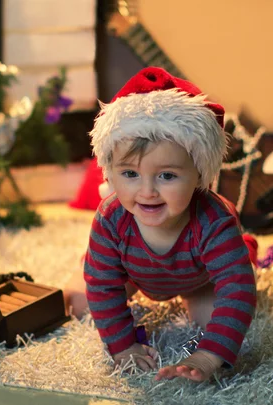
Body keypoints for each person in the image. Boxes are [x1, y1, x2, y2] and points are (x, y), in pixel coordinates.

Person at [65, 67, 258, 382]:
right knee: (84, 299)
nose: (147, 191)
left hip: (198, 278)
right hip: (134, 272)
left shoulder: (213, 221)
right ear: (110, 172)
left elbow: (237, 290)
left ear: (199, 174)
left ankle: (243, 252)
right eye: (130, 174)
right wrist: (123, 347)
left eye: (167, 175)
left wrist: (209, 355)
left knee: (214, 319)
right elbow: (103, 286)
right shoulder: (111, 217)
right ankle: (87, 262)